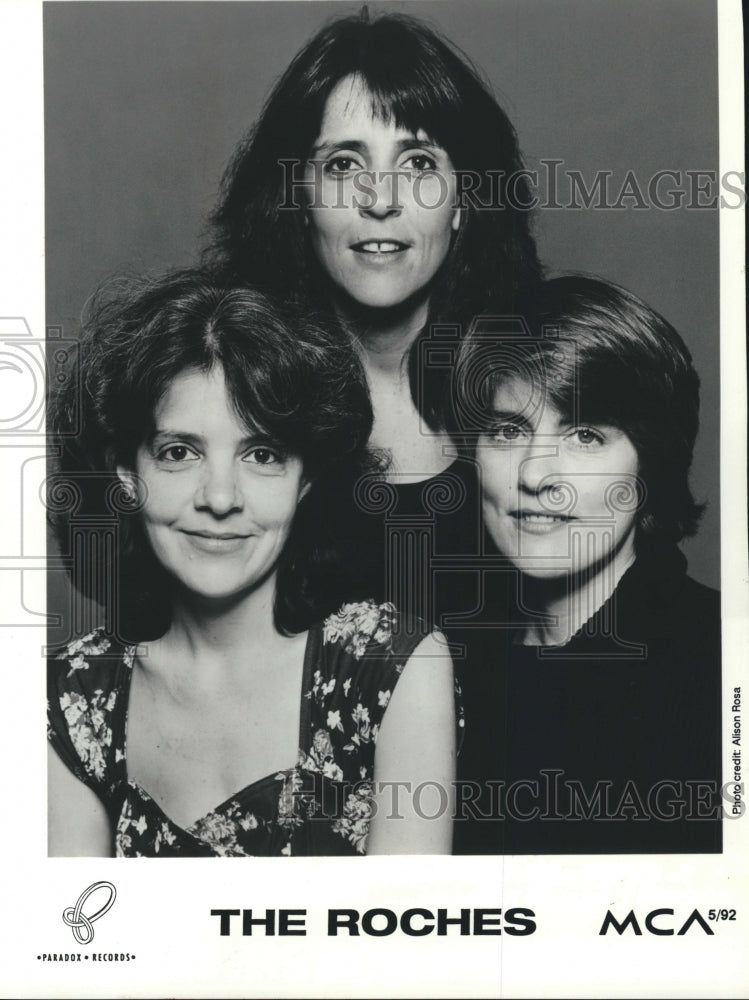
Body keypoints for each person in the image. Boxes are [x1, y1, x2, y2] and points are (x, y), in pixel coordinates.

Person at [47, 270, 456, 857]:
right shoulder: (66, 697)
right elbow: (82, 942)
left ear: (306, 478)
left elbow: (405, 941)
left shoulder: (392, 669)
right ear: (126, 473)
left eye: (262, 454)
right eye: (179, 452)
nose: (219, 497)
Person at [205, 10, 542, 631]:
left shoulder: (531, 383)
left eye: (417, 164)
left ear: (465, 200)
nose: (381, 199)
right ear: (298, 200)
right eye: (342, 166)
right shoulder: (230, 389)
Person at [451, 275, 722, 853]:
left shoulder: (721, 663)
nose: (533, 473)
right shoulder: (442, 663)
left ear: (651, 465)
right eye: (507, 431)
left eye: (584, 436)